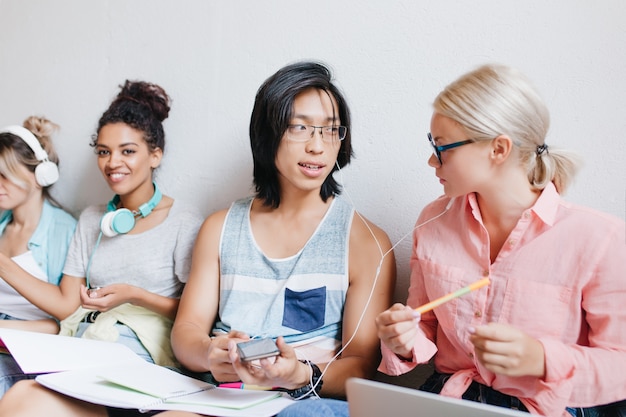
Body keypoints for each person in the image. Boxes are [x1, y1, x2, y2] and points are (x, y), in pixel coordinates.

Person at [279, 63, 626, 417]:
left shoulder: (599, 239)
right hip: (447, 403)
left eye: (442, 146)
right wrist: (403, 338)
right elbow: (425, 328)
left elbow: (621, 368)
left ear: (498, 149)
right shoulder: (434, 220)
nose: (432, 160)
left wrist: (542, 359)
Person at [151, 61, 395, 417]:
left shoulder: (366, 241)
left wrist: (300, 374)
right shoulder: (220, 228)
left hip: (306, 403)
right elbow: (187, 331)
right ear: (268, 134)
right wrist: (210, 353)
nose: (317, 147)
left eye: (330, 131)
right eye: (299, 127)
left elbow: (361, 366)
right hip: (223, 397)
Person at [0, 80, 203, 416]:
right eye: (104, 152)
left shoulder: (183, 221)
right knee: (20, 396)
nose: (112, 163)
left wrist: (134, 294)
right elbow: (66, 306)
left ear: (155, 155)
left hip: (145, 361)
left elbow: (197, 316)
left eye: (127, 151)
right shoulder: (94, 219)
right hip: (86, 352)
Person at [0, 116, 77, 394]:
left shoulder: (63, 230)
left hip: (30, 349)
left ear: (39, 176)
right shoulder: (2, 224)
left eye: (5, 175)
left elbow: (65, 321)